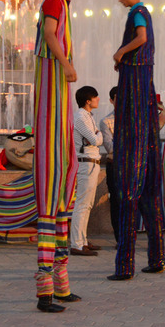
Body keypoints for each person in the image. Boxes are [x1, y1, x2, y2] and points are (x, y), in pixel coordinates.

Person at [31, 0, 82, 312]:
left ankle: (61, 287)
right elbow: (49, 35)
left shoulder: (63, 2)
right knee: (51, 203)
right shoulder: (52, 1)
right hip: (52, 90)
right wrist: (66, 64)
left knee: (62, 202)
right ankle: (44, 292)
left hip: (59, 102)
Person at [109, 0, 165, 281]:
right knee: (149, 191)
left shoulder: (138, 12)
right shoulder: (142, 11)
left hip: (135, 86)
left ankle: (125, 264)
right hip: (143, 83)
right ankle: (156, 258)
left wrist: (121, 52)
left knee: (130, 183)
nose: (120, 0)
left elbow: (142, 37)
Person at [70, 86, 103, 257]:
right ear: (87, 101)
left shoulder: (88, 116)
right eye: (95, 97)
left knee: (87, 205)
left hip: (91, 163)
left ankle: (82, 240)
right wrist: (98, 135)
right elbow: (96, 139)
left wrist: (98, 135)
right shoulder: (80, 117)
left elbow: (97, 137)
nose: (98, 99)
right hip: (86, 163)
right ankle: (76, 243)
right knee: (82, 204)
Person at [100, 86, 122, 240]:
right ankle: (120, 238)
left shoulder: (136, 118)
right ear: (111, 100)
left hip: (133, 166)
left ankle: (131, 236)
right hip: (115, 166)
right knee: (116, 202)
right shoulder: (106, 121)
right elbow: (109, 146)